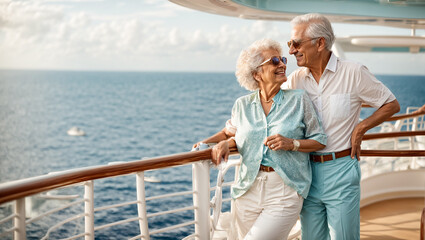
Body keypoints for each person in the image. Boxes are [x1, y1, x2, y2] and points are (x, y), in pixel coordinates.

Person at [195, 38, 327, 240]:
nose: (283, 64)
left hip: (284, 189)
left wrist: (292, 144)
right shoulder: (242, 105)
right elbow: (235, 135)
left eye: (282, 59)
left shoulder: (299, 99)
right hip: (247, 189)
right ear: (256, 74)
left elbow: (319, 140)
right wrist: (212, 143)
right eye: (275, 61)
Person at [285, 13, 400, 240]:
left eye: (296, 43)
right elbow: (270, 105)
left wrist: (360, 128)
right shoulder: (296, 79)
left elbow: (391, 104)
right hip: (306, 172)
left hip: (341, 170)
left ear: (320, 43)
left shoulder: (354, 73)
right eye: (290, 44)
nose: (291, 50)